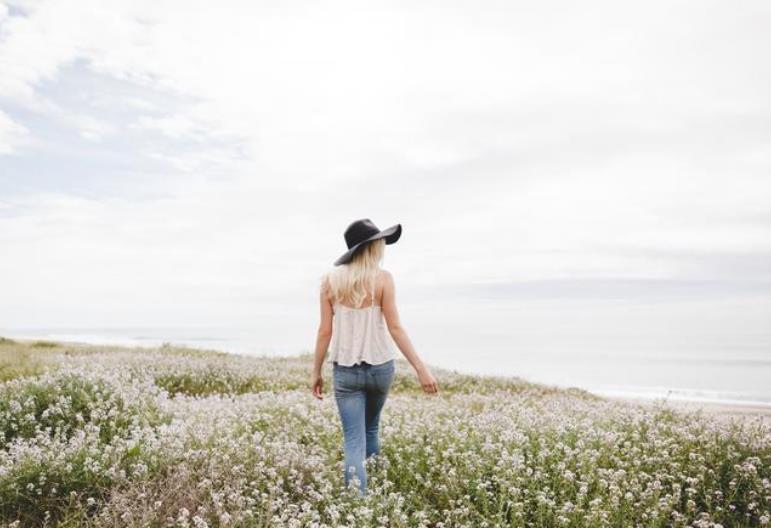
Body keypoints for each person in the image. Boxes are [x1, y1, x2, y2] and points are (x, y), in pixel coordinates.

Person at [310, 218, 438, 496]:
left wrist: (316, 372)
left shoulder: (329, 282)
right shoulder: (383, 279)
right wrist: (421, 369)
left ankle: (358, 507)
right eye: (380, 243)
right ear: (371, 248)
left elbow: (324, 332)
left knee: (354, 441)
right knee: (371, 430)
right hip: (381, 369)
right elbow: (395, 328)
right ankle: (379, 489)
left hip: (345, 371)